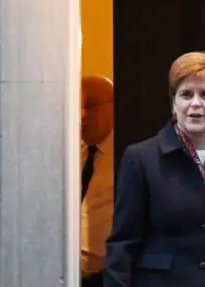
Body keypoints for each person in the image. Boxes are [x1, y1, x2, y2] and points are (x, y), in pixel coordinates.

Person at [104, 51, 205, 287]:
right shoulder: (140, 158)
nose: (195, 104)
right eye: (186, 94)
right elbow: (122, 245)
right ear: (174, 104)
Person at [81, 75, 115, 287]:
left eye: (91, 105)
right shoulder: (72, 156)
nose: (82, 115)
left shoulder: (127, 158)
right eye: (78, 106)